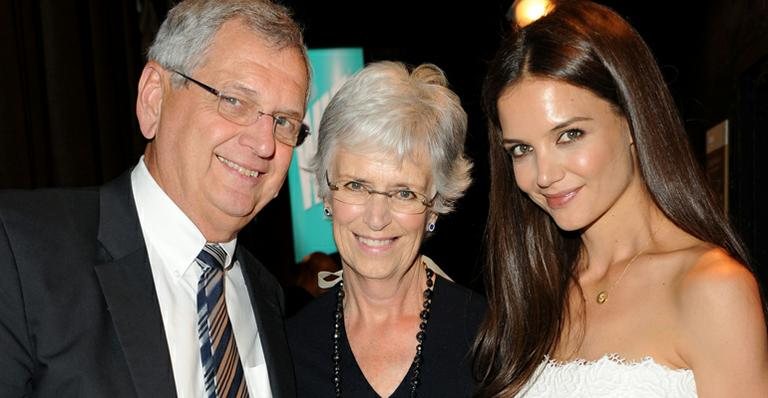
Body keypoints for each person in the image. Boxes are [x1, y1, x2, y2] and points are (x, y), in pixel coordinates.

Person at [0, 0, 309, 396]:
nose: (264, 143)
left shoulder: (268, 297)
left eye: (284, 121)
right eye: (235, 101)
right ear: (154, 99)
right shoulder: (22, 253)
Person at [473, 1, 768, 397]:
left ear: (631, 120)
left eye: (569, 135)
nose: (544, 175)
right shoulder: (536, 289)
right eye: (521, 149)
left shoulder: (711, 289)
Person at [286, 61, 486, 397]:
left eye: (404, 192)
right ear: (326, 193)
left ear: (434, 205)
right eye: (355, 185)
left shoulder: (488, 336)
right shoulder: (289, 347)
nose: (377, 218)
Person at [284, 251, 341, 316]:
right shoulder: (310, 307)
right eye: (329, 277)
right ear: (308, 273)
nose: (334, 283)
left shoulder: (286, 298)